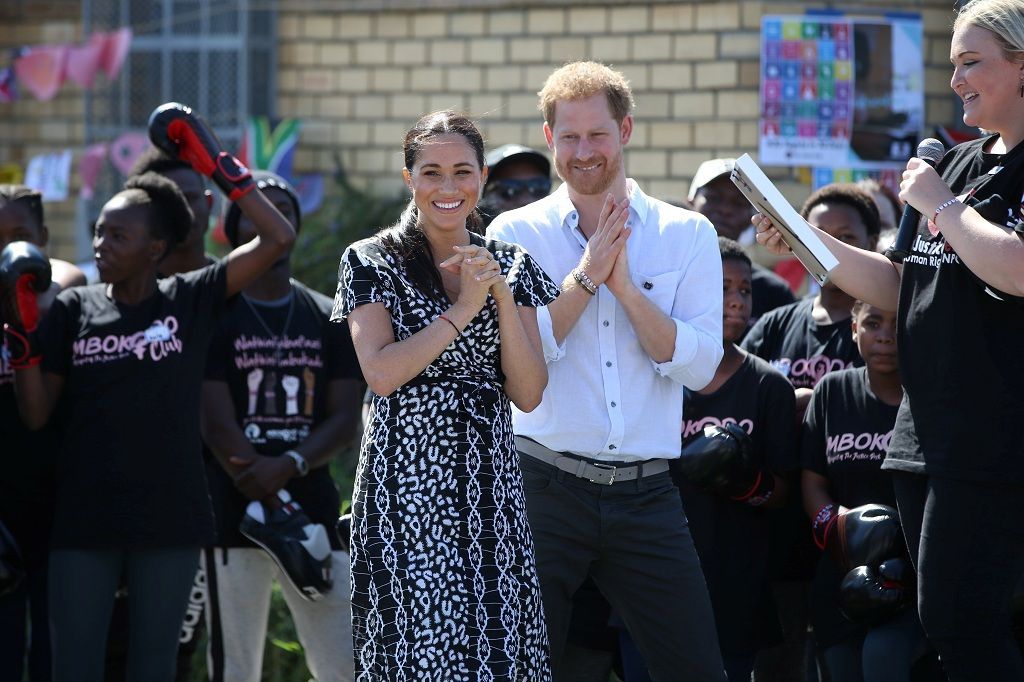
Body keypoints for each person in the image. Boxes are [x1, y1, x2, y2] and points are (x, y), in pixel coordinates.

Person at [754, 2, 1024, 677]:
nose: (957, 79)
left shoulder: (948, 189)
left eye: (972, 62)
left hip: (997, 438)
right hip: (926, 434)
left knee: (968, 622)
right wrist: (802, 235)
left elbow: (1016, 268)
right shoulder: (958, 168)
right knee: (943, 622)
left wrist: (940, 206)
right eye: (952, 62)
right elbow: (906, 287)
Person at [3, 104, 295, 682]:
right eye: (98, 232)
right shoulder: (73, 308)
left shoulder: (191, 296)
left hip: (168, 519)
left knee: (154, 667)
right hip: (82, 522)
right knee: (73, 669)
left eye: (117, 234)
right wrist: (22, 334)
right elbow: (35, 413)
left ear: (156, 248)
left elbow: (277, 234)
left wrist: (214, 160)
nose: (101, 243)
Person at [488, 60, 727, 681]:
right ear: (549, 138)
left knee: (697, 667)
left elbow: (701, 366)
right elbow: (518, 362)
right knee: (521, 667)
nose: (584, 151)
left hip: (647, 494)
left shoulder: (688, 233)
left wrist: (628, 290)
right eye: (569, 136)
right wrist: (588, 277)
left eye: (597, 134)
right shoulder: (514, 232)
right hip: (542, 486)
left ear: (626, 129)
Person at [332, 110, 557, 679]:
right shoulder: (370, 260)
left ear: (482, 177)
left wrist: (502, 298)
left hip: (489, 488)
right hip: (404, 489)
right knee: (417, 654)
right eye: (431, 172)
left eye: (462, 171)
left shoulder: (511, 263)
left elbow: (529, 394)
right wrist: (463, 309)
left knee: (498, 654)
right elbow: (381, 373)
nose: (448, 187)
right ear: (410, 179)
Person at [201, 171, 361, 682]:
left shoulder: (327, 314)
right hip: (232, 511)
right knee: (234, 668)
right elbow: (212, 416)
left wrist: (288, 465)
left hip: (310, 512)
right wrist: (255, 476)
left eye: (282, 208)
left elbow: (344, 417)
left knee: (344, 662)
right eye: (253, 208)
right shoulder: (214, 313)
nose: (271, 216)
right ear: (233, 227)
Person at [616, 237, 798, 682]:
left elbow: (783, 492)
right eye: (722, 288)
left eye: (744, 290)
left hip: (733, 582)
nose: (736, 302)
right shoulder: (645, 369)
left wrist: (745, 483)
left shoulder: (767, 384)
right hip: (649, 576)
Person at [744, 182, 880, 682]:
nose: (827, 246)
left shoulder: (882, 329)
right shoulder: (776, 324)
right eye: (817, 234)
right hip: (777, 531)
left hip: (850, 532)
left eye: (844, 236)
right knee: (777, 663)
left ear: (869, 242)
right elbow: (744, 400)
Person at [800, 301, 928, 681]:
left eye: (897, 323)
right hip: (841, 579)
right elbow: (812, 480)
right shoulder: (832, 391)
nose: (886, 335)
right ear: (853, 329)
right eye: (873, 323)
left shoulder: (932, 396)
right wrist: (839, 530)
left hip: (913, 580)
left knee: (884, 656)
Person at [0, 185, 85, 682]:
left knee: (56, 655)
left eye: (19, 237)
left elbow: (67, 280)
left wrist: (23, 280)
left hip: (59, 504)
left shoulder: (62, 295)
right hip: (4, 510)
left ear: (43, 238)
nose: (7, 250)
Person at [687, 158, 795, 329]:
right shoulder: (670, 274)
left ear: (751, 216)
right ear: (691, 202)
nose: (726, 210)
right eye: (714, 198)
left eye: (738, 203)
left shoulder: (774, 293)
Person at [129, 145, 215, 276]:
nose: (183, 211)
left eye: (190, 198)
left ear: (209, 202)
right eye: (168, 201)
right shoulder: (119, 292)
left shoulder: (238, 283)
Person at [479, 143, 552, 227]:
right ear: (485, 194)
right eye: (510, 190)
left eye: (538, 187)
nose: (526, 200)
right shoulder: (465, 239)